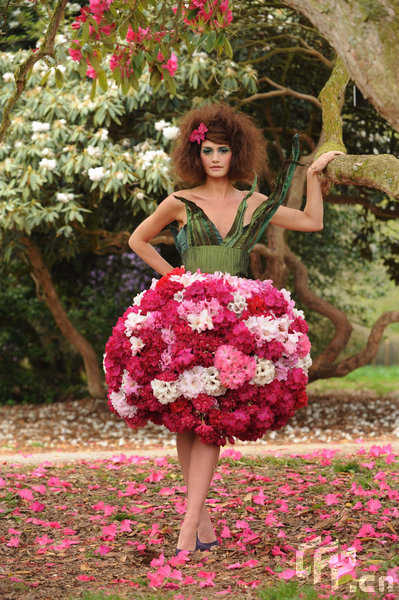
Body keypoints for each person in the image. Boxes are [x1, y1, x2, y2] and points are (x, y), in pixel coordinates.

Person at [128, 102, 344, 555]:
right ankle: (202, 523)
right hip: (185, 321)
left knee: (209, 423)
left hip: (234, 324)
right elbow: (138, 239)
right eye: (207, 150)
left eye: (223, 150)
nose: (215, 158)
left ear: (236, 154)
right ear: (196, 155)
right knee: (187, 423)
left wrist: (310, 179)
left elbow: (312, 220)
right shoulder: (181, 202)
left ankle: (188, 529)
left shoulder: (253, 203)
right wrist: (173, 279)